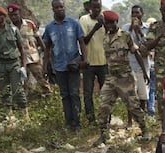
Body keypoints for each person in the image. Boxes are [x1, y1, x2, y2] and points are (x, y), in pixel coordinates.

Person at [92, 10, 150, 147]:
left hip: (125, 78)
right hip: (111, 78)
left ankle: (145, 130)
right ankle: (103, 135)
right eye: (108, 23)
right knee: (103, 107)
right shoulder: (105, 38)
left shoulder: (125, 36)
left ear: (117, 22)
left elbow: (136, 54)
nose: (110, 25)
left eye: (112, 22)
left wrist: (144, 71)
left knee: (134, 106)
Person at [43, 0, 88, 132]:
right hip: (59, 66)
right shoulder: (49, 27)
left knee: (74, 93)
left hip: (73, 65)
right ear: (53, 9)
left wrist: (84, 59)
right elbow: (47, 48)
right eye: (56, 7)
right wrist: (45, 66)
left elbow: (82, 42)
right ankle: (69, 123)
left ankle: (77, 123)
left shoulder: (74, 24)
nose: (59, 9)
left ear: (65, 7)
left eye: (61, 6)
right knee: (64, 95)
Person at [0, 6, 28, 114]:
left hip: (14, 63)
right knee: (4, 91)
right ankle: (9, 117)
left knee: (18, 90)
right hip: (0, 65)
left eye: (0, 15)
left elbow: (21, 49)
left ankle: (25, 115)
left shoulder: (13, 30)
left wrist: (24, 66)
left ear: (4, 17)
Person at [7, 4, 52, 97]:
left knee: (41, 77)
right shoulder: (8, 28)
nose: (14, 17)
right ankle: (25, 101)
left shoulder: (29, 24)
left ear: (20, 14)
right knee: (22, 81)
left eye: (15, 14)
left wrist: (46, 53)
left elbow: (38, 39)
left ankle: (48, 95)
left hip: (33, 57)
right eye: (11, 15)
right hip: (18, 59)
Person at [122, 5, 151, 127]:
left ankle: (141, 121)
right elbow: (122, 44)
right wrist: (131, 30)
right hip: (129, 66)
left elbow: (147, 48)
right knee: (130, 96)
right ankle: (129, 122)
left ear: (142, 14)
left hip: (143, 66)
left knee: (143, 96)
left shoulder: (148, 29)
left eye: (137, 13)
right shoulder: (125, 28)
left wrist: (139, 31)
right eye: (133, 13)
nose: (135, 15)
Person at [79, 0, 107, 124]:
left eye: (99, 7)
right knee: (88, 93)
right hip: (89, 63)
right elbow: (84, 40)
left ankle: (105, 118)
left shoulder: (105, 18)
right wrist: (95, 28)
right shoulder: (84, 20)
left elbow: (112, 35)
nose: (97, 10)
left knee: (105, 93)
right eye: (94, 7)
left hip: (103, 62)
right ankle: (91, 119)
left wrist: (104, 24)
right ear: (90, 7)